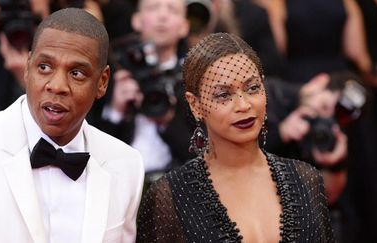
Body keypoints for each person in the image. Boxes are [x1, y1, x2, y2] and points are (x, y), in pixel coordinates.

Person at [0, 8, 144, 243]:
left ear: (102, 82)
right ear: (28, 67)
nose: (57, 85)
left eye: (77, 73)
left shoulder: (126, 164)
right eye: (44, 67)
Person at [136, 33, 334, 242]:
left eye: (253, 88)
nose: (243, 105)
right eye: (223, 95)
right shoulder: (170, 196)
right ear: (195, 105)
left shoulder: (305, 179)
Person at [91, 0, 193, 175]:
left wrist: (166, 120)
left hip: (176, 185)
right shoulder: (110, 72)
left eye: (173, 10)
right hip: (119, 179)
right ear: (136, 20)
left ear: (184, 26)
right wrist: (116, 110)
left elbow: (204, 156)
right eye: (153, 8)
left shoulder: (194, 79)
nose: (162, 16)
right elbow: (91, 153)